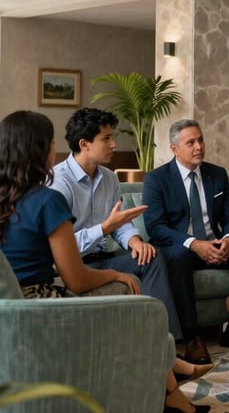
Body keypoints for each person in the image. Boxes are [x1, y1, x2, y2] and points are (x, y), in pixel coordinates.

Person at [0, 110, 210, 413]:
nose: (54, 150)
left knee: (143, 272)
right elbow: (75, 280)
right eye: (50, 143)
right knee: (131, 302)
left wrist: (131, 239)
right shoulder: (48, 198)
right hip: (40, 304)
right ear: (37, 150)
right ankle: (173, 388)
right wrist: (118, 276)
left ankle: (172, 385)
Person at [50, 107, 183, 342]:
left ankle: (167, 343)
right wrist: (104, 228)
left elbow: (120, 223)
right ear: (84, 144)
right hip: (73, 265)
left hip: (103, 258)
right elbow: (63, 246)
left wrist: (134, 241)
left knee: (151, 256)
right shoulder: (58, 183)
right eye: (106, 138)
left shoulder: (109, 177)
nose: (113, 144)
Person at [143, 119, 229, 366]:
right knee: (176, 257)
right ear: (174, 148)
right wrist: (193, 244)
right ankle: (192, 337)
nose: (199, 146)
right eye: (191, 142)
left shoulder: (216, 174)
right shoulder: (157, 179)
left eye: (200, 140)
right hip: (182, 249)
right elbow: (156, 228)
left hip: (216, 244)